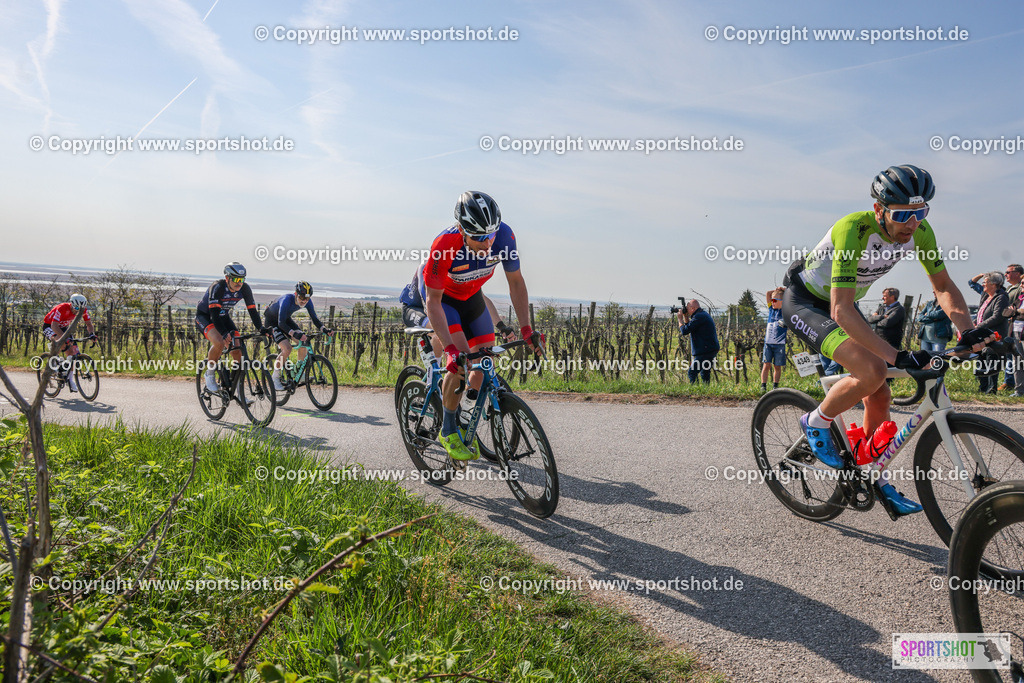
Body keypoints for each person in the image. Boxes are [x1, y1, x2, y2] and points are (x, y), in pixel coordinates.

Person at [781, 164, 993, 516]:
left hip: (841, 302)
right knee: (872, 369)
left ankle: (869, 471)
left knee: (880, 392)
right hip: (808, 303)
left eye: (920, 213)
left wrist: (967, 330)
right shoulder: (853, 228)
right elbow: (842, 310)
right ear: (879, 210)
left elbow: (942, 286)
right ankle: (816, 420)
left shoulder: (920, 231)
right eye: (902, 215)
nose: (912, 225)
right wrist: (898, 356)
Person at [421, 191, 543, 462]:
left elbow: (516, 283)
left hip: (472, 298)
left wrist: (526, 330)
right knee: (462, 363)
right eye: (478, 237)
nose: (487, 243)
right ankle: (448, 428)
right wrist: (451, 350)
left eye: (490, 235)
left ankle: (466, 415)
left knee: (485, 361)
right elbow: (433, 301)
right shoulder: (445, 244)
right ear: (462, 230)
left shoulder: (504, 236)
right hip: (445, 302)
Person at [399, 265, 515, 358]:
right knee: (440, 332)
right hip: (414, 308)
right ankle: (433, 375)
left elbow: (482, 299)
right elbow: (428, 302)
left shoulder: (461, 271)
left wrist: (500, 325)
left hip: (434, 306)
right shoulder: (428, 266)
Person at [196, 262, 266, 395]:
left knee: (238, 349)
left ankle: (235, 387)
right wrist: (223, 333)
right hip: (206, 316)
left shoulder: (245, 289)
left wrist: (261, 328)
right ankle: (209, 374)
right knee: (219, 341)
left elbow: (252, 311)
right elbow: (214, 315)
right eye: (236, 279)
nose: (239, 283)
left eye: (242, 279)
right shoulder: (218, 287)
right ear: (227, 278)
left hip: (223, 316)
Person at [265, 281, 333, 391]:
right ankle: (275, 378)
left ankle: (299, 372)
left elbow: (314, 319)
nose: (304, 301)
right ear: (296, 294)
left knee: (304, 342)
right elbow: (280, 323)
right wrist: (294, 333)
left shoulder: (308, 302)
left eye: (307, 298)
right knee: (287, 348)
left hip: (285, 320)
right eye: (302, 297)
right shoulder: (287, 300)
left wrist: (324, 329)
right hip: (272, 322)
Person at [42, 293, 99, 393]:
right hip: (50, 326)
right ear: (71, 304)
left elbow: (89, 324)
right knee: (61, 342)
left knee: (72, 351)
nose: (77, 310)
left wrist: (92, 334)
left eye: (80, 308)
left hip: (64, 328)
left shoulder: (83, 311)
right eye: (76, 307)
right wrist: (63, 338)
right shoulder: (62, 308)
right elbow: (54, 326)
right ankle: (54, 357)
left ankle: (70, 380)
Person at [967, 271, 1010, 393]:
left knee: (991, 360)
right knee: (980, 359)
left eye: (985, 282)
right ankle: (982, 388)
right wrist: (975, 323)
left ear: (994, 284)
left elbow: (998, 317)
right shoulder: (986, 296)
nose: (983, 284)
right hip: (982, 335)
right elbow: (981, 312)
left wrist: (979, 326)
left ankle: (991, 389)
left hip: (994, 335)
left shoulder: (1002, 297)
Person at [677, 299, 720, 384]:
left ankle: (696, 392)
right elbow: (690, 327)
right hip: (709, 349)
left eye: (688, 308)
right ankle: (705, 393)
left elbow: (685, 331)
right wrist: (686, 317)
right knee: (705, 373)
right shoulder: (702, 315)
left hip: (705, 350)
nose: (687, 310)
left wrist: (680, 319)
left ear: (693, 308)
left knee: (692, 372)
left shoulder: (699, 317)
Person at [998, 265, 1023, 391]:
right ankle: (1011, 382)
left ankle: (1010, 382)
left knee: (1017, 356)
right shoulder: (1011, 289)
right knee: (1012, 355)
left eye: (1008, 272)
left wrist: (1015, 311)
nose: (1005, 274)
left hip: (1019, 329)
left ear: (1017, 273)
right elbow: (1007, 311)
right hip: (1012, 326)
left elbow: (1014, 310)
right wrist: (1014, 311)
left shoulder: (1019, 289)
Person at [760, 287, 786, 392]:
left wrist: (785, 291)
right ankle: (763, 386)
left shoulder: (785, 312)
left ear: (782, 302)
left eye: (775, 300)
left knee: (777, 366)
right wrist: (778, 290)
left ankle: (775, 386)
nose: (772, 302)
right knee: (766, 365)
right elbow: (768, 293)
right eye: (772, 300)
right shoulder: (771, 310)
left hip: (780, 344)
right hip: (768, 343)